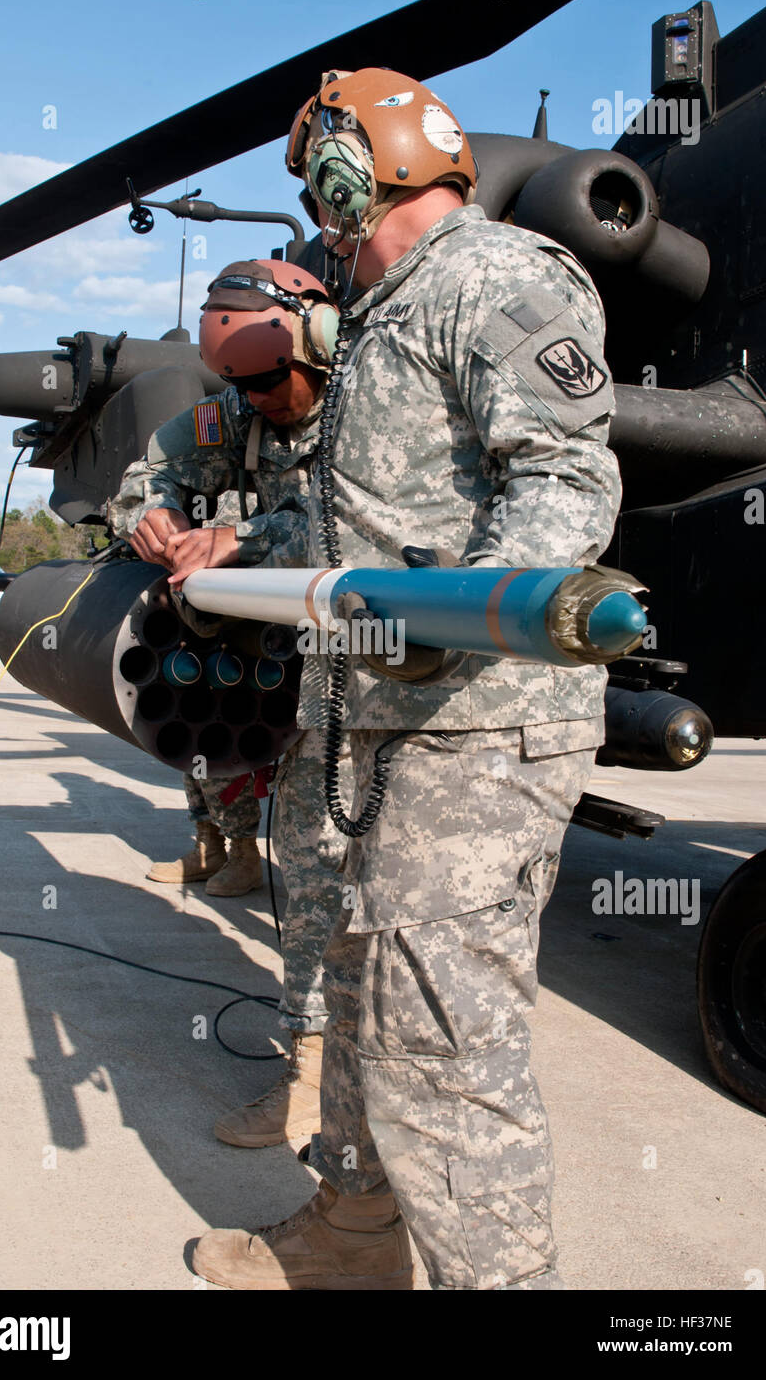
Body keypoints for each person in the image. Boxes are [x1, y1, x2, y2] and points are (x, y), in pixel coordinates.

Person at [192, 69, 622, 1290]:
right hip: (372, 719)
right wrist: (234, 548)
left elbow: (565, 483)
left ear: (352, 169)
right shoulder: (380, 315)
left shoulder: (499, 276)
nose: (314, 216)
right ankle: (352, 1233)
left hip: (473, 727)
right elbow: (358, 530)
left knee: (439, 1038)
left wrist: (466, 615)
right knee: (355, 984)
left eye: (317, 184)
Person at [108, 260, 351, 1146]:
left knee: (330, 859)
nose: (263, 403)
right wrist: (151, 515)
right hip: (283, 663)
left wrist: (236, 536)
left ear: (318, 343)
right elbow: (149, 472)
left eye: (273, 383)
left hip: (372, 664)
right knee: (307, 853)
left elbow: (348, 525)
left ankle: (327, 1072)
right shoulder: (236, 412)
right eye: (243, 387)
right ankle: (314, 1063)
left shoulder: (370, 401)